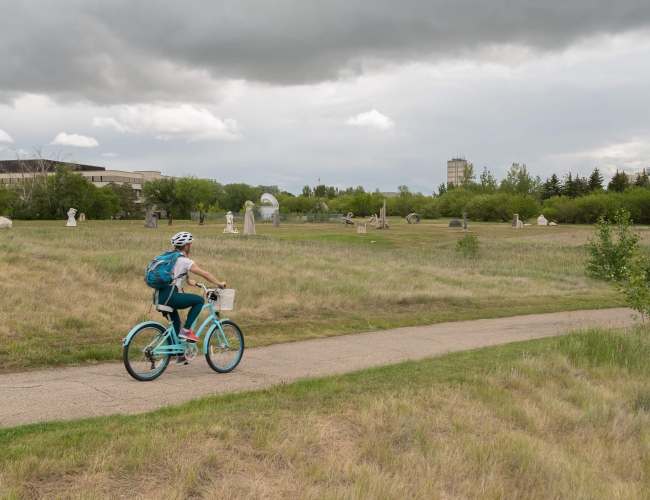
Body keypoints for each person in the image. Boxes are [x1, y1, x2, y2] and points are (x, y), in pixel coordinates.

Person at [156, 231, 227, 364]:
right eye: (190, 243)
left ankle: (180, 354)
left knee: (175, 324)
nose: (191, 245)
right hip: (171, 296)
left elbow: (176, 275)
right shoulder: (185, 260)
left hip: (159, 296)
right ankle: (187, 329)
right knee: (199, 300)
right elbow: (205, 274)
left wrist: (190, 282)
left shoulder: (171, 257)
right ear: (186, 246)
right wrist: (219, 283)